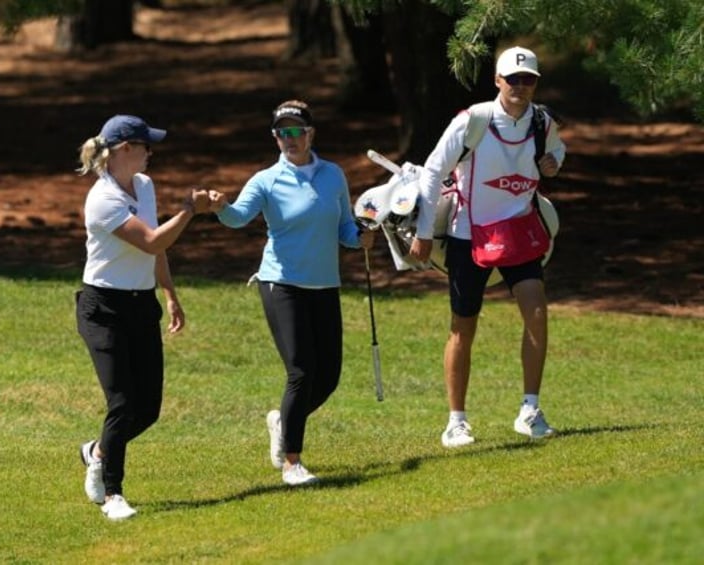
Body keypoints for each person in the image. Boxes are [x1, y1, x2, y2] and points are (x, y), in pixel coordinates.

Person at [207, 100, 375, 485]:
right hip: (280, 283)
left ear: (311, 134)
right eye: (283, 133)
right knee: (301, 371)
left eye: (297, 131)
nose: (290, 139)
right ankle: (291, 462)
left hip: (324, 285)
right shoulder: (266, 180)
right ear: (275, 138)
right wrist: (220, 207)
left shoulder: (333, 175)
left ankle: (283, 420)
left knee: (328, 377)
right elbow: (237, 218)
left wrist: (360, 238)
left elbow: (345, 228)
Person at [407, 46, 566, 448]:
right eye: (512, 79)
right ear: (497, 81)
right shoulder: (473, 121)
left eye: (528, 79)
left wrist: (554, 164)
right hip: (466, 234)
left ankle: (530, 410)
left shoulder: (542, 122)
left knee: (537, 312)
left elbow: (557, 151)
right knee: (463, 326)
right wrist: (424, 232)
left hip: (520, 230)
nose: (520, 86)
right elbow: (432, 172)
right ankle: (455, 421)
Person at [75, 114, 209, 520]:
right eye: (145, 145)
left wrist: (169, 294)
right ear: (124, 150)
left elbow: (157, 249)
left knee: (147, 409)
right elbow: (152, 240)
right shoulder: (103, 199)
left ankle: (96, 451)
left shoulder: (145, 186)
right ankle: (113, 494)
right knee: (122, 402)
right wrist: (189, 210)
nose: (152, 151)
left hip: (140, 304)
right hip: (103, 310)